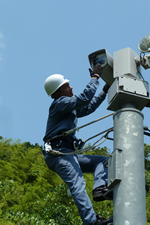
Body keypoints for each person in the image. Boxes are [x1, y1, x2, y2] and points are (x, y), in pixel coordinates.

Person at [43, 64, 112, 225]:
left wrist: (104, 90)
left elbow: (88, 107)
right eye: (67, 86)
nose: (71, 87)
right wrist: (94, 78)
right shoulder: (60, 103)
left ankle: (99, 188)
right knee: (78, 183)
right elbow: (84, 98)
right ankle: (91, 222)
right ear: (58, 91)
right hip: (58, 153)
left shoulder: (67, 107)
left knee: (102, 161)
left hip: (67, 152)